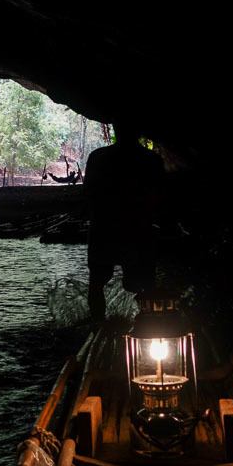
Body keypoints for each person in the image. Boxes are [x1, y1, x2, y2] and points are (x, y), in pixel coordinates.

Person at [84, 119, 165, 321]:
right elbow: (161, 198)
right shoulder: (151, 161)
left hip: (104, 230)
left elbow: (89, 194)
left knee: (97, 283)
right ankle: (151, 324)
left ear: (115, 130)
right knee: (145, 284)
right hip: (139, 231)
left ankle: (96, 325)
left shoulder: (98, 157)